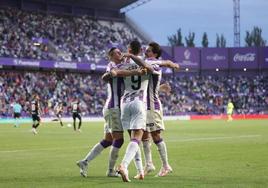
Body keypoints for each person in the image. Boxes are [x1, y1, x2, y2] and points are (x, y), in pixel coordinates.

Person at [76, 47, 146, 178]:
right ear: (111, 56)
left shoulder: (123, 65)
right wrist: (114, 73)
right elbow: (110, 74)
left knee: (108, 140)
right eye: (117, 52)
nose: (120, 53)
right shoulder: (112, 65)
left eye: (121, 51)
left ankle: (84, 162)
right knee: (119, 140)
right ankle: (110, 170)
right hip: (114, 107)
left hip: (113, 107)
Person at [114, 40, 155, 182]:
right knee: (136, 138)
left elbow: (116, 72)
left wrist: (129, 59)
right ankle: (124, 166)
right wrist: (134, 60)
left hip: (125, 103)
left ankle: (139, 171)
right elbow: (150, 70)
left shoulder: (123, 64)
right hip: (138, 103)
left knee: (133, 139)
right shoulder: (144, 63)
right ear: (140, 50)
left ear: (130, 49)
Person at [140, 42, 179, 177]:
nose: (146, 52)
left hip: (152, 106)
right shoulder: (149, 63)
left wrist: (171, 63)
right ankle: (149, 164)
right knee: (144, 135)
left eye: (149, 51)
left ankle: (166, 166)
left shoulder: (153, 63)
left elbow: (165, 63)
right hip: (144, 106)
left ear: (155, 54)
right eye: (146, 50)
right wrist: (161, 87)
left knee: (156, 136)